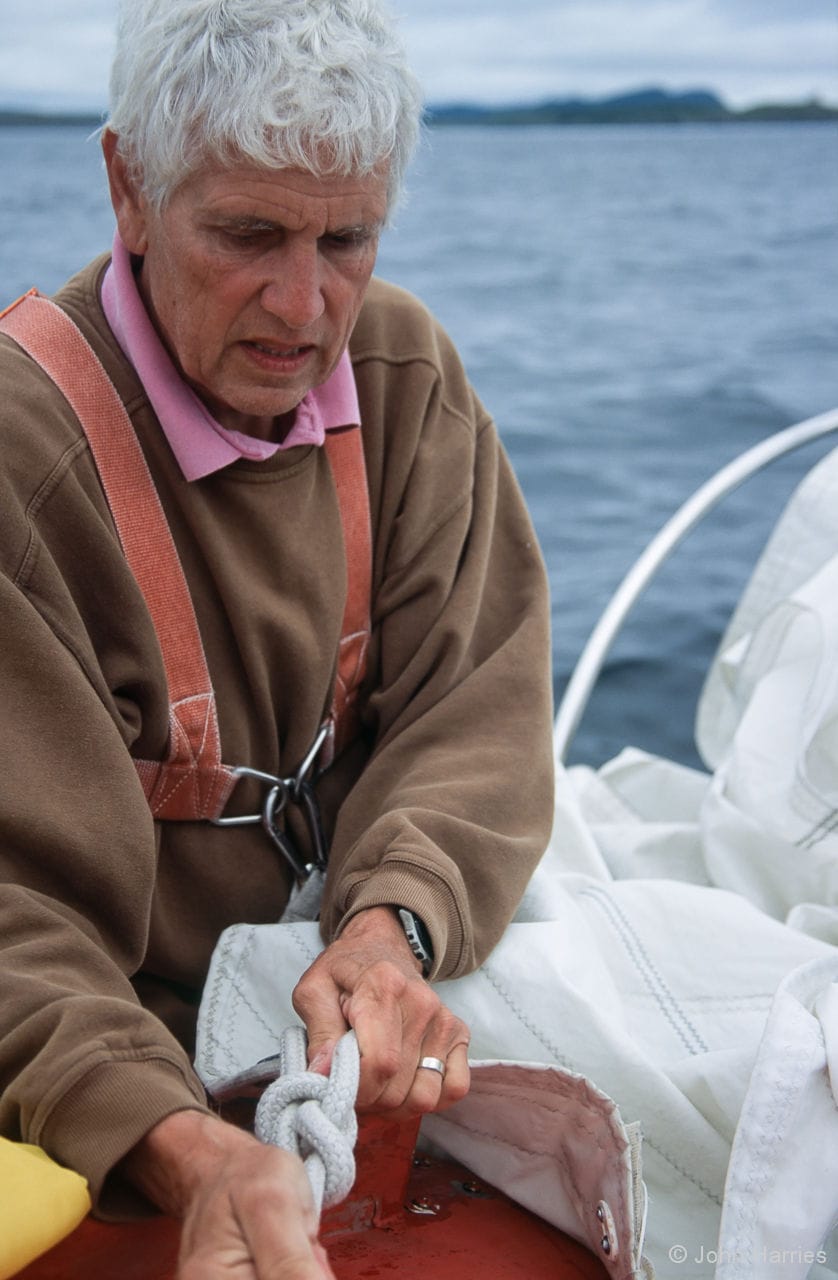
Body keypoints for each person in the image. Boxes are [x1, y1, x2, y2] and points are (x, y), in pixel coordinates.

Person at [0, 0, 554, 1275]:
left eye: (345, 239)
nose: (305, 306)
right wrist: (182, 1148)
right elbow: (14, 910)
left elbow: (474, 711)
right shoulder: (22, 462)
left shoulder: (405, 374)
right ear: (130, 189)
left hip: (330, 1010)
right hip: (104, 1069)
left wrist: (392, 924)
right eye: (247, 234)